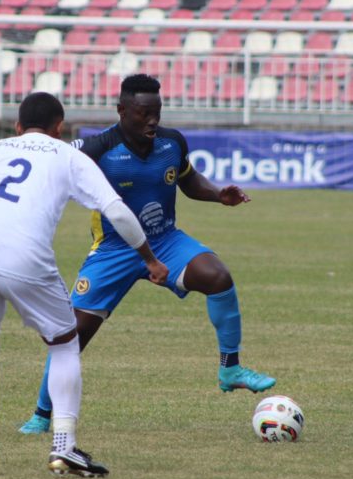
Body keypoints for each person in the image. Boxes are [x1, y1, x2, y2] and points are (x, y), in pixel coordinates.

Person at [0, 92, 168, 477]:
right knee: (65, 344)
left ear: (18, 126)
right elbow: (116, 209)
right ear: (59, 128)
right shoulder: (68, 155)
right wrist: (149, 258)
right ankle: (63, 447)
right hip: (26, 260)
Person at [19, 74, 277, 434]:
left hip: (164, 241)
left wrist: (218, 195)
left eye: (157, 112)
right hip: (113, 250)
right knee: (73, 335)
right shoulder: (96, 148)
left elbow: (188, 180)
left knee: (217, 277)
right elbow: (39, 168)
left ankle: (230, 369)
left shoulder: (172, 143)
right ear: (122, 110)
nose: (152, 120)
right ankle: (41, 414)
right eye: (144, 113)